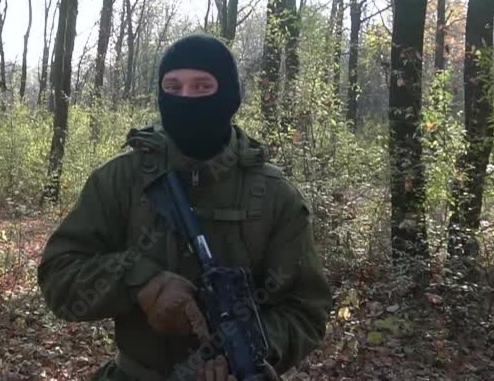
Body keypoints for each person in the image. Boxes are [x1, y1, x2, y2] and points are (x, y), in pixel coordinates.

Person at [37, 34, 332, 381]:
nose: (186, 98)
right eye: (173, 87)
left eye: (202, 86)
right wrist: (139, 282)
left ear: (229, 97)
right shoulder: (121, 179)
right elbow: (59, 274)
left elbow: (306, 309)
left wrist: (253, 348)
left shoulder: (275, 195)